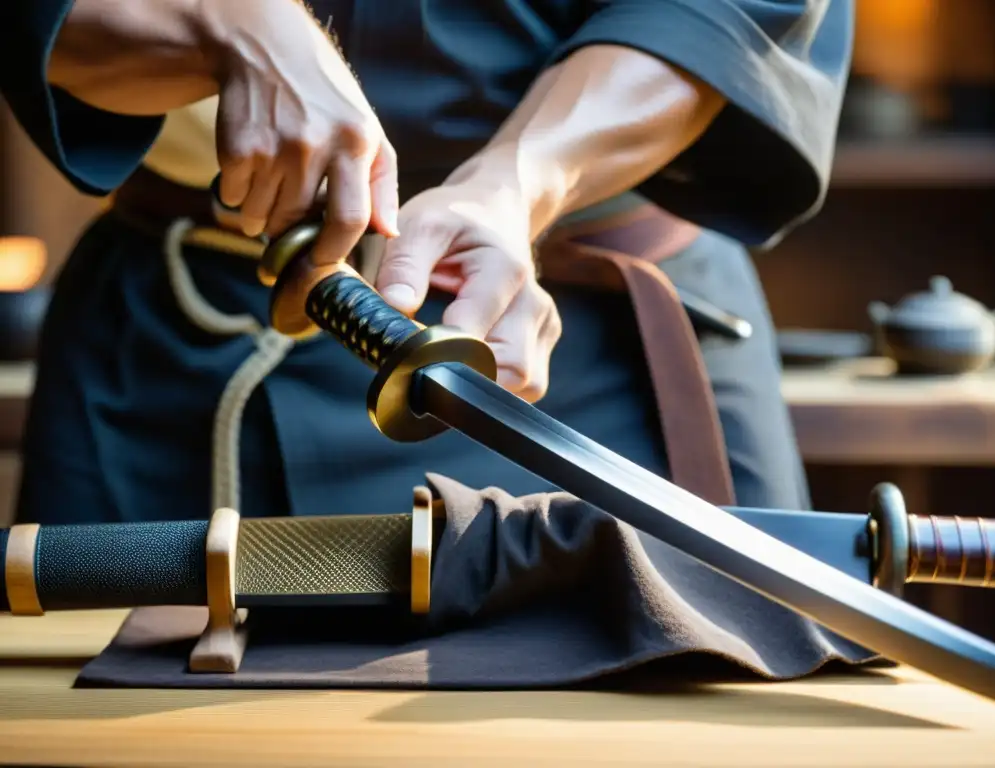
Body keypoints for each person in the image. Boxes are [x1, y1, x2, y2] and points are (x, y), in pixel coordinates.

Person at [1, 0, 852, 525]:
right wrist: (225, 16)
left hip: (580, 370)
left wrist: (520, 180)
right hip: (176, 354)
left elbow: (728, 14)